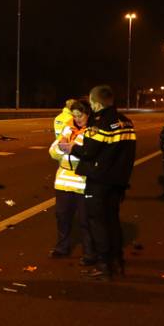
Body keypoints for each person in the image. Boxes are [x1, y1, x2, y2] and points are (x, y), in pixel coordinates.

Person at [59, 85, 136, 280]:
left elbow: (89, 151)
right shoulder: (126, 122)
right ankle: (117, 262)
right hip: (118, 182)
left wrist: (71, 148)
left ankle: (104, 265)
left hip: (99, 181)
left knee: (98, 223)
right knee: (113, 222)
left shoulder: (100, 123)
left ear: (95, 103)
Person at [48, 100, 94, 265]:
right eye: (74, 115)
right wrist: (61, 148)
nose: (77, 119)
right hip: (63, 181)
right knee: (62, 217)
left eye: (80, 115)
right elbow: (52, 151)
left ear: (88, 114)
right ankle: (62, 247)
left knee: (85, 220)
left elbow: (89, 153)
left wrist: (72, 149)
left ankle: (89, 253)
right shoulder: (68, 128)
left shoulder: (93, 131)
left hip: (83, 183)